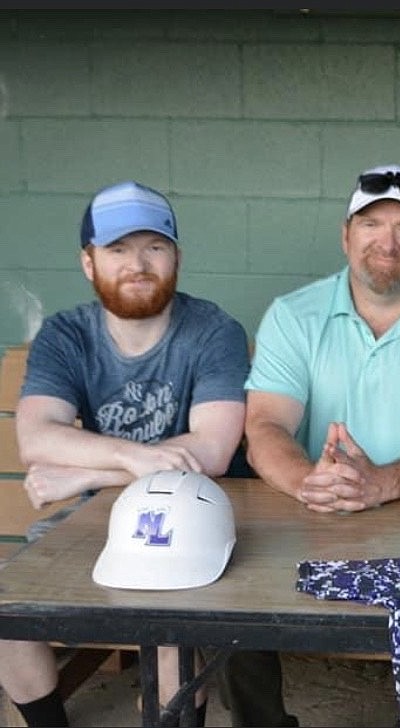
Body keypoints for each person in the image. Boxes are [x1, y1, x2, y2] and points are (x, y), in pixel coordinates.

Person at [229, 163, 400, 727]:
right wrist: (311, 481)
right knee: (230, 594)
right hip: (309, 515)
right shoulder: (294, 314)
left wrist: (381, 484)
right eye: (371, 223)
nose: (387, 242)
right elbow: (266, 427)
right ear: (345, 235)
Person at [0, 180, 251, 727]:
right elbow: (37, 437)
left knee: (166, 624)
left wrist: (80, 472)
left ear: (176, 256)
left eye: (153, 247)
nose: (138, 263)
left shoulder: (212, 330)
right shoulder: (67, 335)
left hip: (193, 523)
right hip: (95, 521)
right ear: (89, 263)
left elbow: (209, 450)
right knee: (6, 602)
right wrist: (135, 460)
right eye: (117, 249)